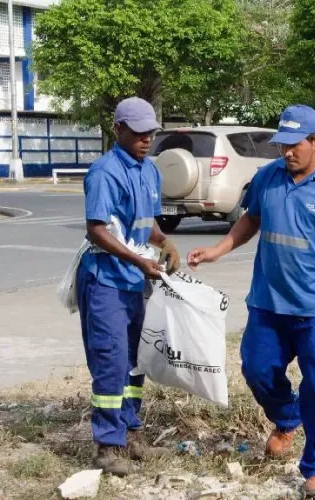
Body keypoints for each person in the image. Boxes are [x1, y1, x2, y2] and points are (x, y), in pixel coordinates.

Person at [187, 104, 315, 497]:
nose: (286, 152)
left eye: (294, 145)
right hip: (267, 303)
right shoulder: (268, 178)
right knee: (256, 370)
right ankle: (287, 417)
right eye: (281, 145)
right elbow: (250, 219)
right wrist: (218, 249)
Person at [76, 96, 180, 476]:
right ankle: (108, 443)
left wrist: (164, 241)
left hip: (137, 280)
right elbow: (97, 229)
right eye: (137, 133)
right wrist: (139, 260)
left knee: (136, 359)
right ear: (118, 130)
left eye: (150, 132)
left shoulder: (148, 171)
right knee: (110, 359)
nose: (145, 139)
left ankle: (131, 431)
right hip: (106, 279)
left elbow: (147, 222)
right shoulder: (104, 172)